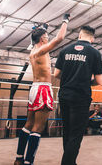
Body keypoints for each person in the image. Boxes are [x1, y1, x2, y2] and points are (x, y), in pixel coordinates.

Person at [14, 14, 70, 165]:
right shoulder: (40, 51)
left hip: (35, 89)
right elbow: (59, 38)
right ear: (42, 39)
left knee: (28, 124)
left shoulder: (33, 51)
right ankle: (28, 162)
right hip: (43, 89)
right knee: (38, 127)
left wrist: (42, 28)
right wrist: (65, 21)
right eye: (46, 36)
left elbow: (36, 37)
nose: (47, 37)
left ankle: (19, 158)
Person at [53, 25, 102, 165]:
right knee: (76, 134)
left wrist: (69, 78)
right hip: (81, 97)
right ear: (92, 39)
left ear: (79, 35)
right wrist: (87, 81)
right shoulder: (94, 53)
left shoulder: (65, 50)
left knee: (68, 131)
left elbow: (56, 74)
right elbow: (99, 80)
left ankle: (70, 162)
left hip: (64, 95)